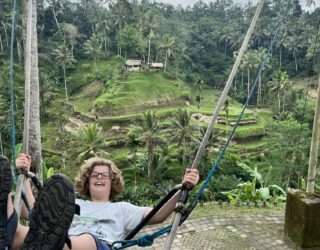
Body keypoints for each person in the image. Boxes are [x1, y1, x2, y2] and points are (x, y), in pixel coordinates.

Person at [1, 154, 199, 250]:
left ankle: (50, 245)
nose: (100, 178)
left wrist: (183, 187)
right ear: (87, 181)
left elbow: (159, 214)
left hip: (98, 246)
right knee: (20, 227)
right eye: (95, 175)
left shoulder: (122, 209)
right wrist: (23, 176)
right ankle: (7, 228)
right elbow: (34, 212)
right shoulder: (70, 203)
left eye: (105, 175)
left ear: (113, 182)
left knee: (86, 239)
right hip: (59, 240)